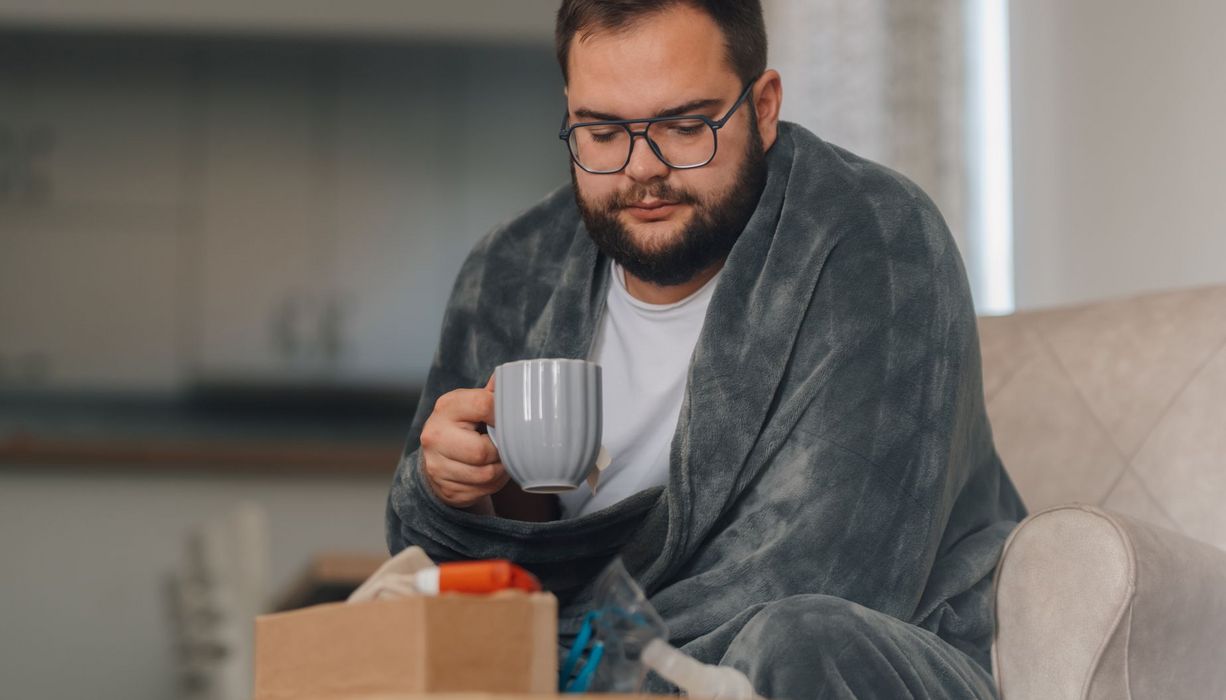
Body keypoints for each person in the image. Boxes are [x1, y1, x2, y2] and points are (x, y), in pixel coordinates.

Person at [386, 1, 1027, 698]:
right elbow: (424, 563)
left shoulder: (877, 240)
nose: (642, 169)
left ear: (764, 106)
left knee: (796, 637)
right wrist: (455, 493)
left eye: (685, 127)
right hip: (587, 668)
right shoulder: (512, 267)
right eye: (602, 133)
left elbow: (826, 569)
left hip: (850, 663)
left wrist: (569, 668)